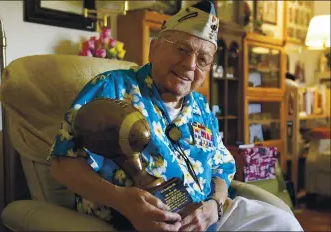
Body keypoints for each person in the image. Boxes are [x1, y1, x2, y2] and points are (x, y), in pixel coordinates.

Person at [48, 1, 303, 231]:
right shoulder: (112, 87)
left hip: (205, 218)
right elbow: (63, 163)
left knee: (282, 223)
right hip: (139, 220)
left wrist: (213, 207)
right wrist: (122, 201)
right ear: (154, 48)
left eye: (203, 59)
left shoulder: (201, 107)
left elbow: (221, 169)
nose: (191, 65)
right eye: (182, 50)